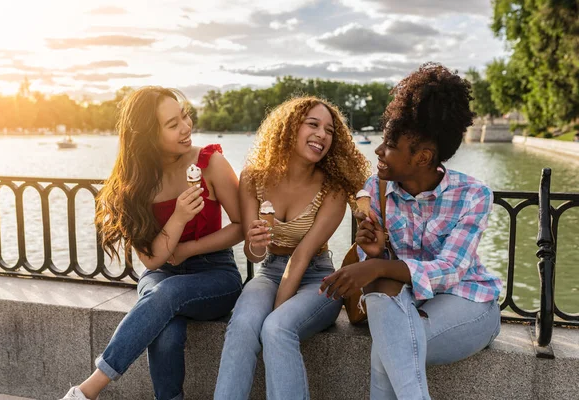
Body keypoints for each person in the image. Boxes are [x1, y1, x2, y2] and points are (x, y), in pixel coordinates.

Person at [320, 63, 503, 399]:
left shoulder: (473, 194)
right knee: (388, 330)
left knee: (387, 349)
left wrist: (379, 266)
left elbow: (451, 270)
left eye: (389, 144)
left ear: (423, 157)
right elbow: (377, 271)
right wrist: (374, 255)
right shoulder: (376, 189)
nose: (378, 150)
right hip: (405, 303)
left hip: (469, 302)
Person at [61, 87, 243, 400]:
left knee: (167, 295)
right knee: (166, 330)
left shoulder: (210, 163)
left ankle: (87, 390)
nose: (186, 127)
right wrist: (179, 217)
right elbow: (152, 260)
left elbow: (240, 227)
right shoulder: (136, 182)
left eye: (184, 116)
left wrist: (187, 249)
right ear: (147, 136)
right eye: (172, 125)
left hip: (215, 274)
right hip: (161, 275)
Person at [214, 96, 370, 399]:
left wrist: (272, 314)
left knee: (276, 328)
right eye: (312, 124)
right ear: (288, 129)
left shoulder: (333, 187)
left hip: (319, 280)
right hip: (269, 271)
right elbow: (253, 254)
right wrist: (256, 243)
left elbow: (301, 256)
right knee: (244, 325)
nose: (322, 135)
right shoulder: (253, 177)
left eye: (329, 130)